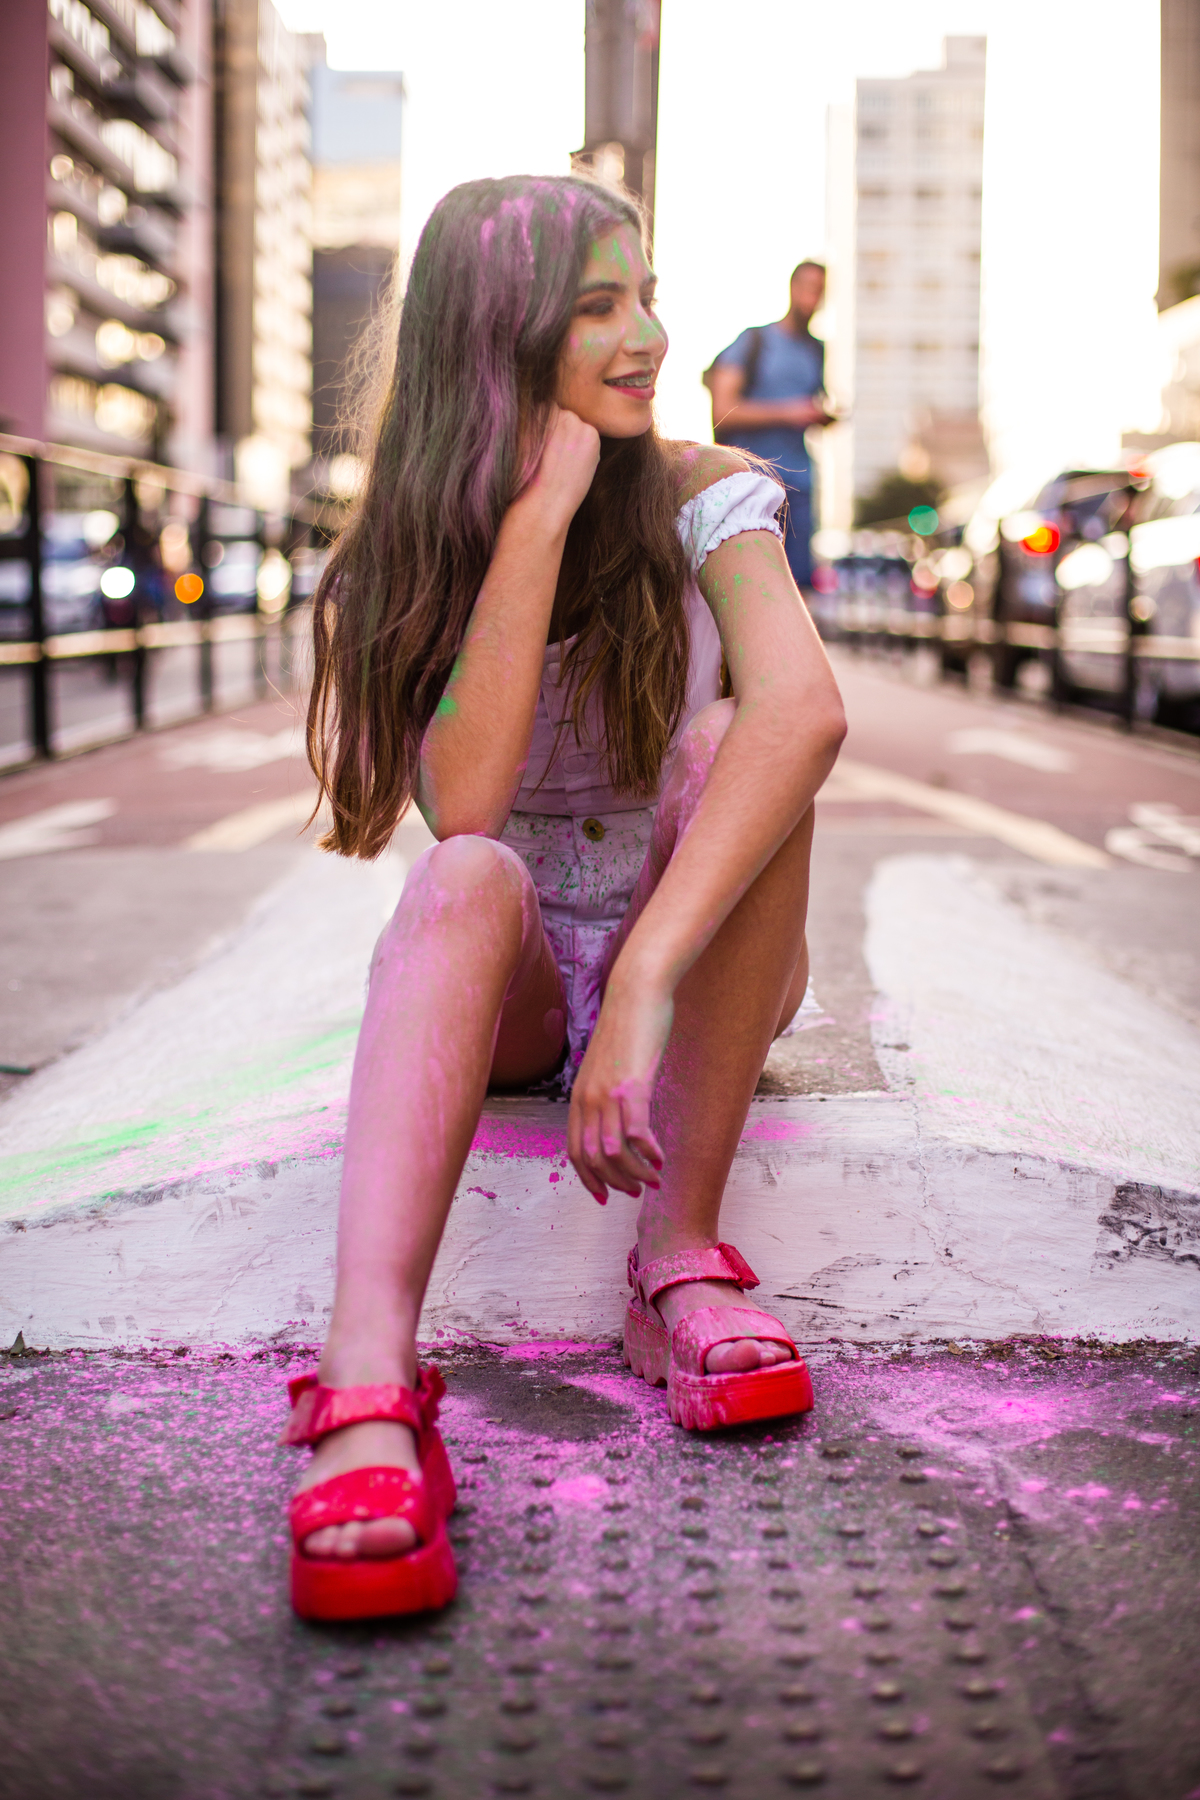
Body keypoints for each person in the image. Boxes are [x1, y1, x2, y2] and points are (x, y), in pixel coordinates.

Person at [285, 175, 847, 1623]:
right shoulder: (408, 556)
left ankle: (679, 1262)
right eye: (598, 306)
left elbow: (805, 712)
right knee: (468, 872)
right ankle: (366, 1381)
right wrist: (534, 519)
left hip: (698, 952)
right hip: (530, 977)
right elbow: (465, 809)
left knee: (736, 745)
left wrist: (647, 982)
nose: (646, 332)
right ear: (502, 340)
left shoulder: (706, 497)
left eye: (642, 293)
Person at [708, 262, 834, 593]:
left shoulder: (816, 350)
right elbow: (723, 409)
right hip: (754, 486)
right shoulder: (755, 341)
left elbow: (812, 405)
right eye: (806, 286)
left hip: (801, 489)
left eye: (819, 289)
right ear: (791, 288)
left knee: (797, 591)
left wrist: (819, 415)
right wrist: (789, 413)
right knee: (750, 589)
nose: (811, 296)